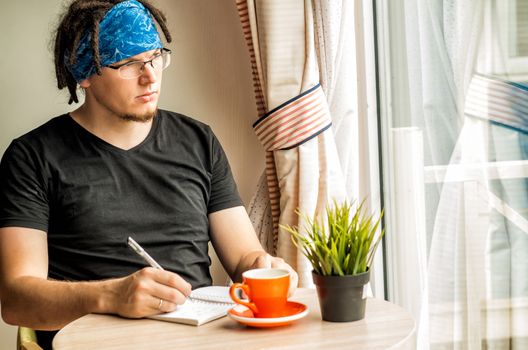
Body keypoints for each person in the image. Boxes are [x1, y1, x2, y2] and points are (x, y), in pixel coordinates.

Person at [0, 0, 298, 348]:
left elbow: (244, 257)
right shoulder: (32, 157)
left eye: (156, 57)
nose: (150, 76)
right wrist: (112, 296)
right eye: (129, 64)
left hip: (199, 341)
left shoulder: (198, 141)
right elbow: (17, 299)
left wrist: (262, 265)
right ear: (84, 75)